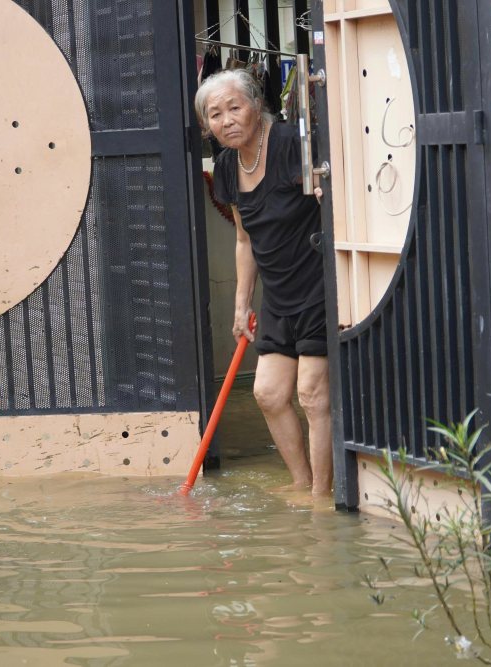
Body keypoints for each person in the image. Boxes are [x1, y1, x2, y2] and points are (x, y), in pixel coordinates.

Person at [195, 69, 332, 497]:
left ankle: (322, 497)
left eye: (235, 107)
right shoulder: (226, 166)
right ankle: (301, 483)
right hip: (278, 296)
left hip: (319, 287)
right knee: (269, 394)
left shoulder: (293, 144)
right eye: (215, 114)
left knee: (311, 394)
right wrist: (241, 304)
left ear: (257, 105)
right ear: (208, 126)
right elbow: (243, 238)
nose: (227, 120)